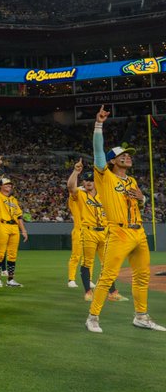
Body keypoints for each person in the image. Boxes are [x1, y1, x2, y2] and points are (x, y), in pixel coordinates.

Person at [85, 105, 163, 333]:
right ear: (111, 161)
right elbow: (98, 152)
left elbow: (138, 203)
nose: (128, 156)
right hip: (118, 232)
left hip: (138, 231)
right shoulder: (105, 177)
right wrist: (99, 124)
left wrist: (143, 198)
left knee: (142, 276)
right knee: (108, 276)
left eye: (129, 155)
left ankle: (141, 316)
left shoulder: (131, 181)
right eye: (123, 155)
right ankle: (93, 317)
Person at [66, 158, 124, 304]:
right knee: (87, 262)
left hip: (105, 232)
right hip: (89, 232)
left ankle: (113, 293)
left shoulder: (103, 195)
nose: (89, 182)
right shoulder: (80, 194)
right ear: (83, 182)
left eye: (91, 180)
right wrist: (76, 172)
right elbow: (70, 186)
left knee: (108, 264)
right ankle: (88, 292)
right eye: (86, 180)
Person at [0, 157, 28, 288]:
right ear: (1, 186)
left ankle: (10, 279)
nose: (9, 186)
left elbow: (19, 216)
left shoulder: (14, 200)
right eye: (6, 184)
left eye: (10, 185)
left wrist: (23, 230)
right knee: (0, 253)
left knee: (12, 255)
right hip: (2, 225)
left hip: (14, 227)